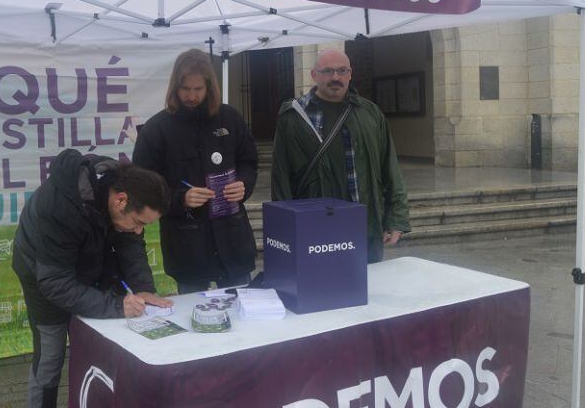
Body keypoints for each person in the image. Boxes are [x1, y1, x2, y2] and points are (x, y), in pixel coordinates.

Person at [12, 148, 173, 408]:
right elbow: (56, 284)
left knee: (95, 340)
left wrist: (143, 289)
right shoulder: (58, 209)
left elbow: (130, 245)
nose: (140, 230)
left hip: (84, 261)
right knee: (51, 355)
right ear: (120, 201)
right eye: (139, 221)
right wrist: (116, 305)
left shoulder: (120, 193)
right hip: (42, 274)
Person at [133, 48, 258, 294]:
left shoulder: (229, 118)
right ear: (174, 88)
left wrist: (244, 184)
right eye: (185, 89)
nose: (191, 96)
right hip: (187, 246)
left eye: (198, 89)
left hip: (232, 240)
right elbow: (142, 186)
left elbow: (249, 161)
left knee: (243, 314)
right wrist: (180, 198)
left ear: (209, 87)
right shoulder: (156, 129)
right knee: (195, 318)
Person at [270, 48, 410, 263]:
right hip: (316, 228)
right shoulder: (294, 117)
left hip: (366, 227)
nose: (335, 77)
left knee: (368, 290)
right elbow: (281, 176)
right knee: (321, 290)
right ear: (314, 75)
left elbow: (390, 168)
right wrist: (286, 227)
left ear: (350, 73)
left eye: (341, 70)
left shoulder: (370, 113)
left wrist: (396, 219)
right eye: (327, 71)